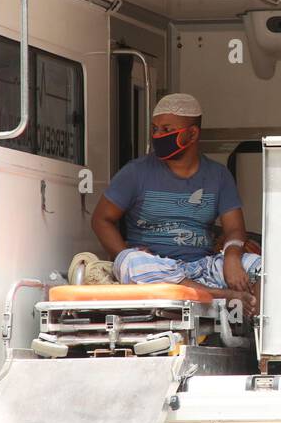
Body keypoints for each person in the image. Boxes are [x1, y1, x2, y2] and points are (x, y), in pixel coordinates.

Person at [90, 93, 262, 315]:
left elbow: (235, 228)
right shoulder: (135, 172)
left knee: (262, 268)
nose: (158, 135)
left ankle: (252, 335)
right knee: (132, 262)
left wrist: (231, 257)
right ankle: (223, 297)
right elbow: (101, 219)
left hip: (202, 267)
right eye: (154, 129)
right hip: (155, 268)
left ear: (192, 133)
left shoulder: (218, 175)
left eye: (167, 130)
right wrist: (122, 252)